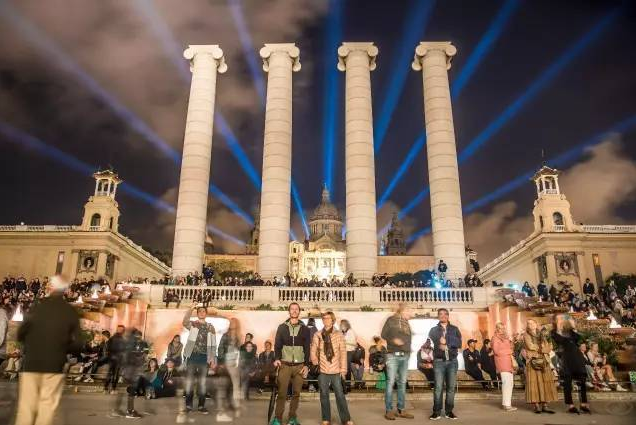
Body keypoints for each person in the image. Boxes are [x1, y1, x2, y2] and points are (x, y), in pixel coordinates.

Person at [15, 275, 82, 425]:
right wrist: (64, 347)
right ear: (66, 290)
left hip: (32, 363)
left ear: (50, 288)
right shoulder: (70, 311)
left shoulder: (38, 307)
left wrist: (31, 344)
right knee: (47, 407)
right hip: (54, 365)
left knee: (26, 407)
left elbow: (20, 333)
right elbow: (78, 343)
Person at [310, 311, 354, 425]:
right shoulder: (318, 334)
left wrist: (343, 370)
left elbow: (343, 353)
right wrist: (315, 361)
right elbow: (313, 350)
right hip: (323, 370)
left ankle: (346, 419)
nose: (326, 320)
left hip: (336, 370)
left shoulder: (339, 334)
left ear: (332, 320)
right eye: (324, 318)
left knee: (340, 395)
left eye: (328, 318)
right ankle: (326, 419)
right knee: (324, 395)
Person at [271, 302, 311, 425]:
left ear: (299, 312)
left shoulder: (305, 329)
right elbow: (277, 345)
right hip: (285, 365)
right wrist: (277, 358)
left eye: (296, 309)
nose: (294, 311)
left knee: (296, 394)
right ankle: (277, 418)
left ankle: (292, 418)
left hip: (299, 366)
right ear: (289, 311)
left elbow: (307, 348)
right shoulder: (282, 327)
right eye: (292, 309)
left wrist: (306, 365)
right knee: (282, 393)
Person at [551, 315, 591, 414]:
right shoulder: (553, 332)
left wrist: (574, 327)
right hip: (566, 359)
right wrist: (559, 329)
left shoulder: (570, 331)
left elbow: (578, 338)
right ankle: (571, 405)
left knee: (582, 381)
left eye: (562, 319)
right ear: (555, 321)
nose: (561, 320)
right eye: (559, 319)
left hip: (577, 357)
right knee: (567, 383)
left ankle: (583, 404)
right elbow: (560, 340)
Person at [181, 304, 217, 416]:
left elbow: (213, 344)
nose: (202, 312)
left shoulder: (210, 327)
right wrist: (191, 308)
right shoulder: (193, 324)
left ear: (206, 314)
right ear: (197, 313)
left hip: (204, 357)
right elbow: (184, 321)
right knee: (190, 383)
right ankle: (188, 406)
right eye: (200, 311)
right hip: (192, 355)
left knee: (202, 383)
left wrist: (212, 359)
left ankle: (201, 406)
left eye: (203, 311)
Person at [381, 303, 414, 420]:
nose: (411, 313)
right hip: (392, 356)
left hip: (405, 356)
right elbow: (383, 334)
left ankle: (400, 410)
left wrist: (408, 351)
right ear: (403, 311)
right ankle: (388, 410)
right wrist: (393, 339)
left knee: (402, 383)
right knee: (390, 383)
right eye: (409, 310)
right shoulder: (391, 320)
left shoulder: (406, 323)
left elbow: (407, 340)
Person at [428, 308, 462, 420]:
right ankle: (436, 412)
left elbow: (459, 343)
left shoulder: (454, 329)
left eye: (444, 314)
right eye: (440, 314)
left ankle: (449, 412)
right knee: (438, 388)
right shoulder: (433, 330)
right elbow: (432, 343)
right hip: (439, 362)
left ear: (448, 316)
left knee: (451, 388)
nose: (442, 316)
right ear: (438, 316)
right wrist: (439, 344)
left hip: (452, 362)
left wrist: (447, 342)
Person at [523, 319, 557, 414]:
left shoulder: (543, 333)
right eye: (528, 323)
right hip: (533, 361)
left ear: (536, 324)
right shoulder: (526, 335)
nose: (530, 324)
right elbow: (530, 346)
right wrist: (542, 348)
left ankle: (545, 405)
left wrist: (544, 348)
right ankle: (536, 405)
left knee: (544, 382)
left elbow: (550, 346)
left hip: (544, 360)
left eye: (532, 323)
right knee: (535, 383)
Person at [217, 317, 242, 413]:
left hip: (235, 361)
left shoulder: (239, 336)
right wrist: (221, 361)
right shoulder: (225, 335)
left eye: (233, 322)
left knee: (234, 383)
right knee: (227, 383)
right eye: (230, 322)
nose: (231, 324)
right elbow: (220, 348)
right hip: (227, 361)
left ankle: (233, 403)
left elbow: (240, 350)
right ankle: (227, 403)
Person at [491, 322, 517, 412]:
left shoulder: (505, 337)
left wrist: (512, 341)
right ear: (497, 329)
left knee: (510, 383)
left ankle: (507, 404)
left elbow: (512, 348)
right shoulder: (495, 338)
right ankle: (506, 405)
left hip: (509, 362)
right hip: (502, 362)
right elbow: (496, 351)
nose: (502, 330)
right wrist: (509, 351)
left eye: (503, 328)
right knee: (506, 383)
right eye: (500, 328)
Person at [104, 325, 126, 393]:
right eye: (119, 329)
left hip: (114, 359)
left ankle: (106, 389)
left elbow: (108, 348)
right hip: (116, 359)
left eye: (121, 330)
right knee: (114, 374)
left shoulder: (113, 338)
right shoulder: (119, 339)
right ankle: (111, 389)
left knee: (111, 373)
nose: (120, 331)